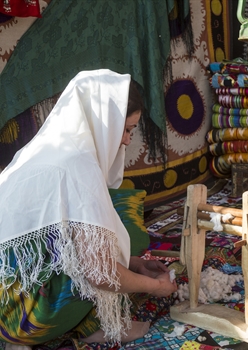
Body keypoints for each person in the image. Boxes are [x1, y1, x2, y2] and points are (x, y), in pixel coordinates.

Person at [0, 69, 177, 349]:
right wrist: (156, 287)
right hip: (17, 315)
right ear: (105, 121)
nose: (128, 140)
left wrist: (135, 264)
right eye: (127, 129)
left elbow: (57, 244)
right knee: (98, 257)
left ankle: (85, 323)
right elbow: (99, 272)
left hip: (7, 300)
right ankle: (90, 324)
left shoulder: (49, 148)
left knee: (97, 244)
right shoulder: (78, 163)